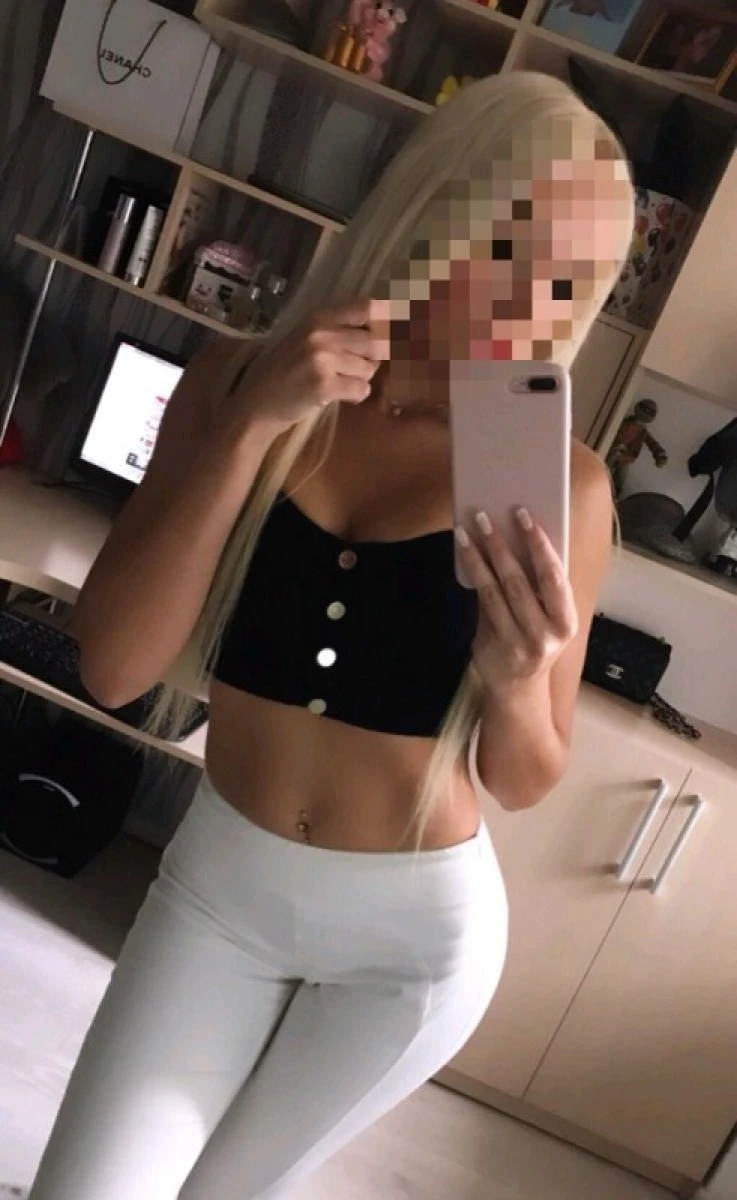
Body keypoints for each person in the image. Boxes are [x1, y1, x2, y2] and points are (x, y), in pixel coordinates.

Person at [28, 72, 634, 1200]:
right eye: (508, 248)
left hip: (409, 948)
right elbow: (113, 668)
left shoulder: (558, 476)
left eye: (566, 281)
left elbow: (523, 777)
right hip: (218, 893)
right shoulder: (240, 379)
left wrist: (517, 680)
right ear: (436, 208)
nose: (529, 306)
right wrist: (252, 427)